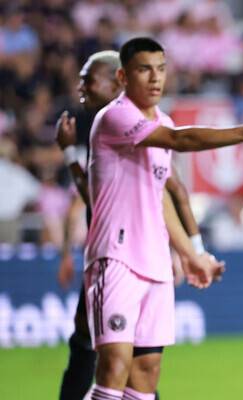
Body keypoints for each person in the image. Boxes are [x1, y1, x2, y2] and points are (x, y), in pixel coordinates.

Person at [84, 37, 243, 400]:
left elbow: (161, 197)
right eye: (144, 69)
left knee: (146, 374)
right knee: (114, 367)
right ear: (123, 76)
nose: (155, 78)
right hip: (116, 258)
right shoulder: (115, 117)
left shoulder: (161, 121)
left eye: (161, 69)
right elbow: (180, 140)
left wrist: (190, 254)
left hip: (155, 263)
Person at [55, 50, 207, 400]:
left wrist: (191, 251)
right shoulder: (109, 127)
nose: (80, 87)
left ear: (115, 82)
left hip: (127, 260)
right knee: (127, 360)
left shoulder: (131, 129)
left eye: (87, 79)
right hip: (116, 256)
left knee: (103, 353)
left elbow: (173, 191)